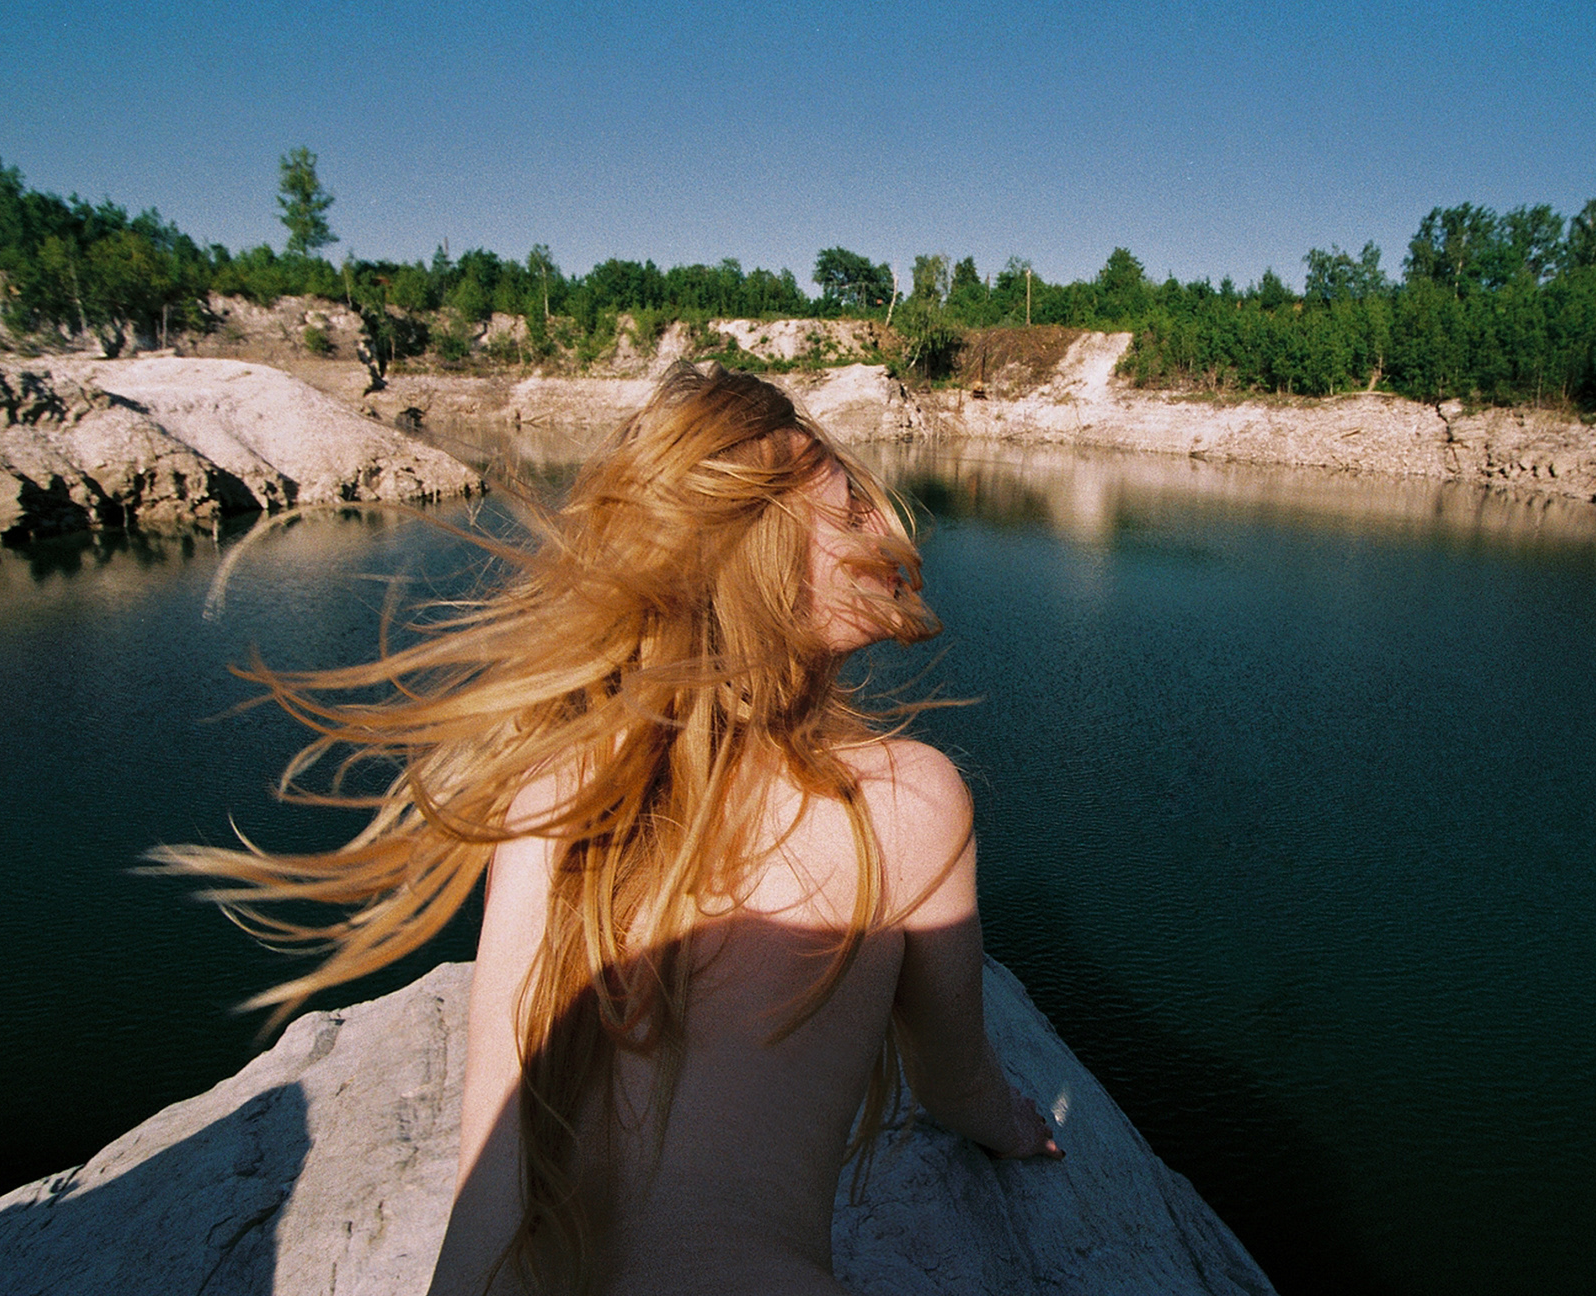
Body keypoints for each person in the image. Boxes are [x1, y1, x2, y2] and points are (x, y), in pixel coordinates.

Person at [153, 362, 1060, 1296]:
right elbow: (955, 1082)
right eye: (852, 507)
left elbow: (493, 1163)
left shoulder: (558, 789)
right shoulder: (905, 799)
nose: (887, 527)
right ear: (758, 563)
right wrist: (1013, 1124)